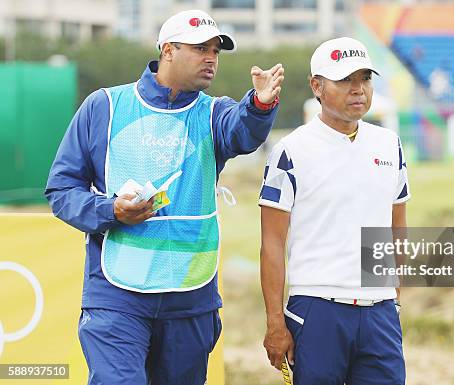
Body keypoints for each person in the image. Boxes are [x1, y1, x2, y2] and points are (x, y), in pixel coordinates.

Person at [45, 9, 283, 385]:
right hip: (116, 293)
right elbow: (61, 189)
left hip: (190, 296)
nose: (211, 58)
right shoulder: (104, 106)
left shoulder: (214, 112)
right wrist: (110, 211)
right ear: (168, 50)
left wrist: (260, 105)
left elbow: (243, 132)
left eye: (216, 51)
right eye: (200, 48)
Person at [259, 37, 409, 385]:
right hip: (316, 307)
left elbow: (397, 226)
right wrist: (274, 323)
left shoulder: (389, 144)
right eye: (345, 80)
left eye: (365, 79)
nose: (358, 90)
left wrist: (394, 297)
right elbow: (272, 244)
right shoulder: (291, 151)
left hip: (380, 312)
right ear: (317, 86)